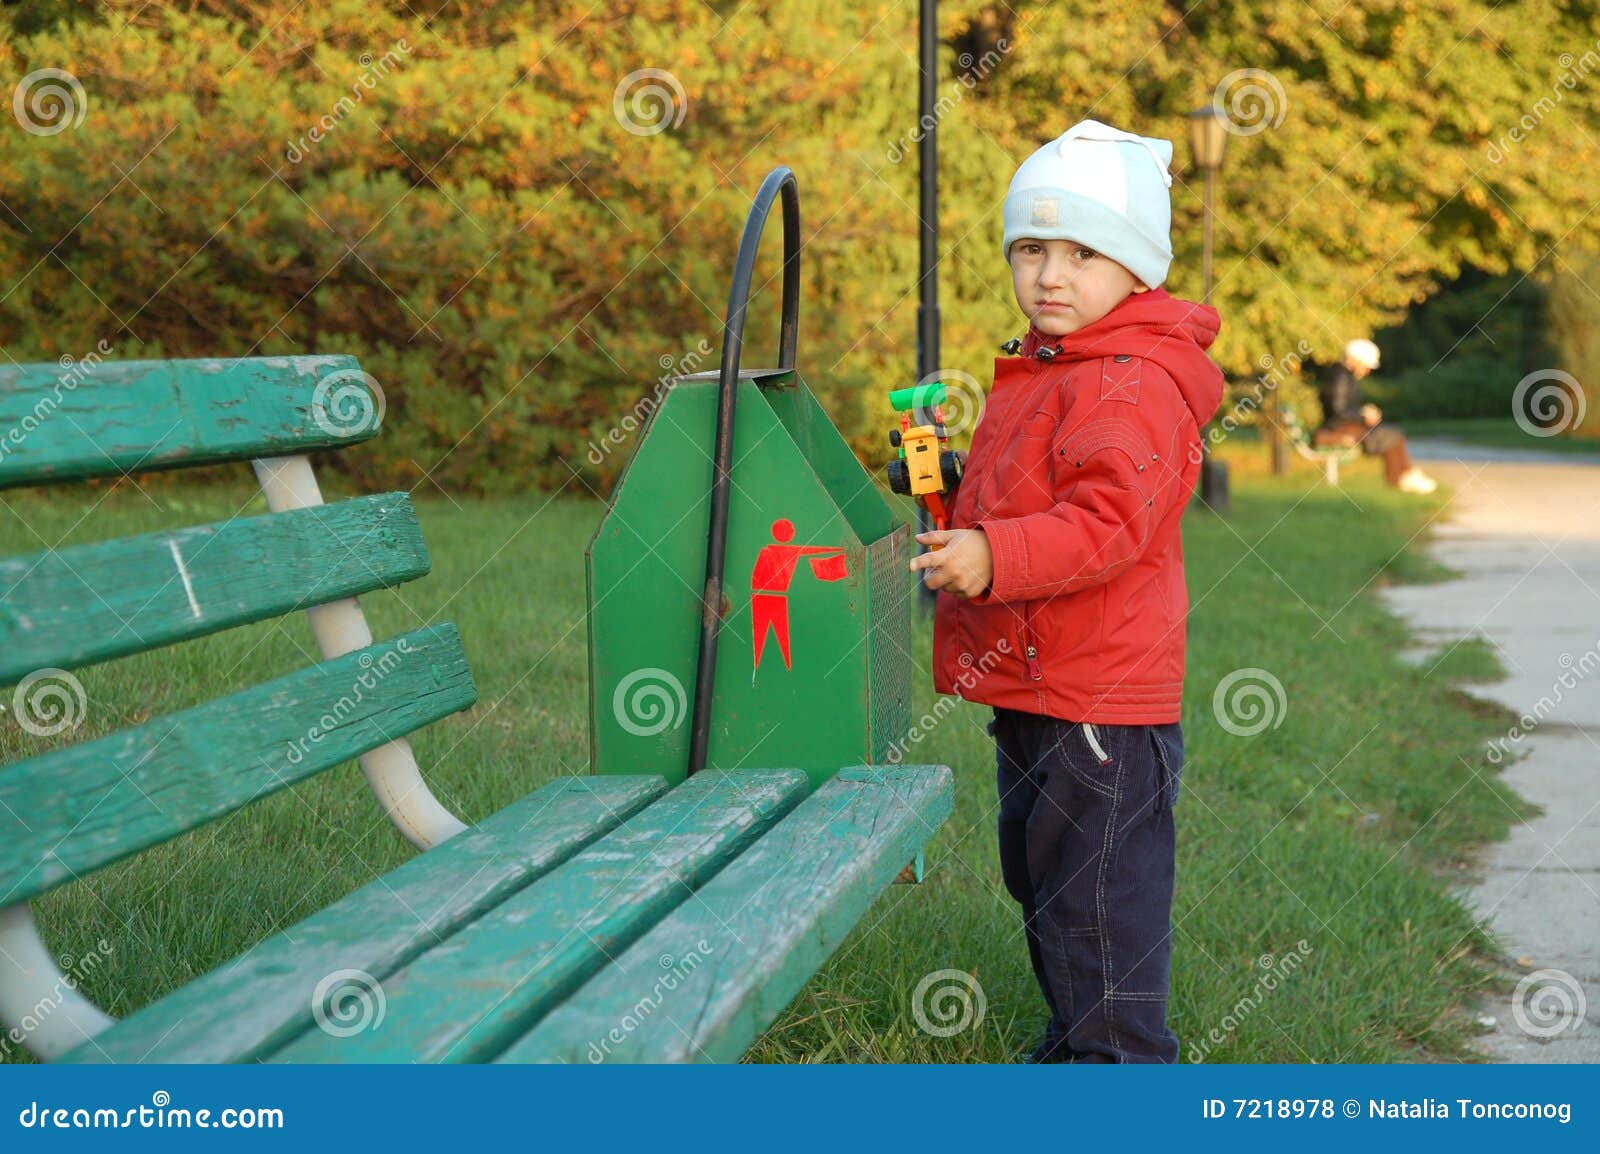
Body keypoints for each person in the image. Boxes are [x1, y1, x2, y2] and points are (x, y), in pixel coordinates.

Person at [908, 119, 1223, 1063]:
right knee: (1045, 879)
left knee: (1098, 899)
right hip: (1041, 687)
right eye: (1031, 248)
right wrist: (954, 483)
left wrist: (994, 556)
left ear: (1140, 271)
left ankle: (1120, 1063)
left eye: (1084, 253)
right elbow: (1035, 491)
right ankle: (1076, 1043)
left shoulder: (1129, 382)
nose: (1051, 274)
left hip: (1099, 703)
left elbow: (1107, 524)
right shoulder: (1059, 364)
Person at [1313, 339, 1437, 493]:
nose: (1368, 370)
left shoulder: (1343, 376)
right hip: (1340, 430)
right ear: (1354, 360)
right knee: (1393, 435)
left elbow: (1342, 408)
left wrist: (1363, 413)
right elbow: (1339, 411)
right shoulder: (1341, 378)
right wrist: (1363, 416)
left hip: (1345, 427)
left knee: (1394, 434)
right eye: (1366, 365)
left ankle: (1404, 476)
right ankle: (1400, 479)